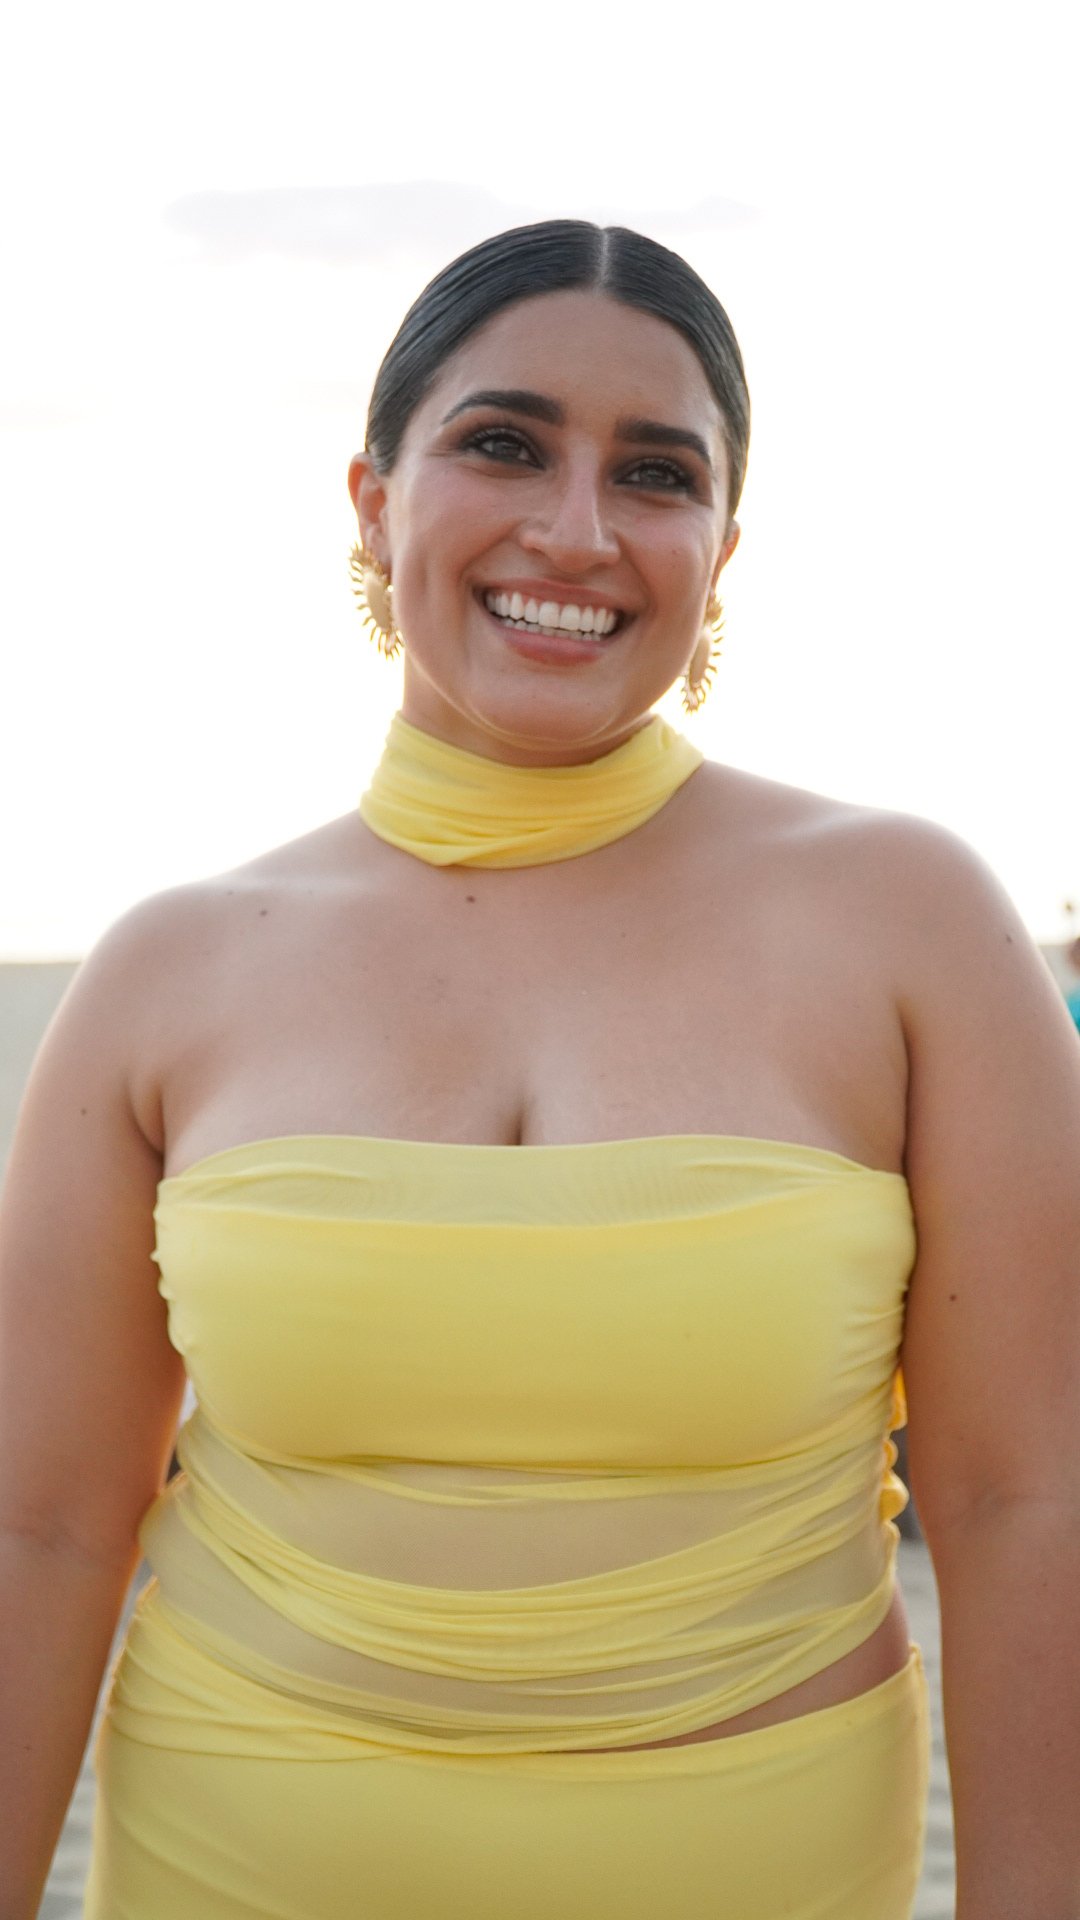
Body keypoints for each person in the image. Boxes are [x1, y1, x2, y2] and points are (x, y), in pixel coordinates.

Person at [2, 220, 1079, 1920]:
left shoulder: (913, 927)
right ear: (372, 498)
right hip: (234, 1855)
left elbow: (1028, 1498)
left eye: (656, 473)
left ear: (723, 549)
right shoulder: (168, 969)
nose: (575, 530)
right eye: (503, 442)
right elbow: (46, 1528)